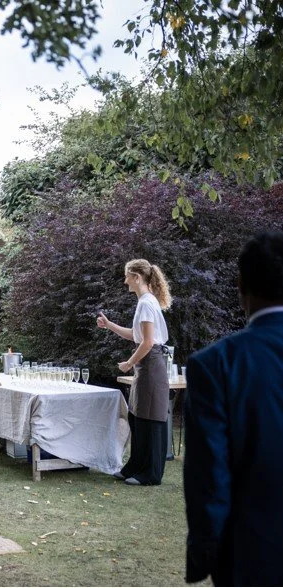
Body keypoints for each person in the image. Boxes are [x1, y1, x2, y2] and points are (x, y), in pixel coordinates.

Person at [183, 232, 283, 586]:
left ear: (240, 284)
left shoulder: (217, 365)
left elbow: (209, 474)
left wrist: (202, 554)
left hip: (254, 552)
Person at [96, 258, 172, 486]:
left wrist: (128, 364)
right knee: (138, 417)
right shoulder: (145, 302)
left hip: (151, 366)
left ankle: (150, 474)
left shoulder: (147, 303)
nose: (124, 280)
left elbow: (148, 342)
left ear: (136, 277)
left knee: (149, 419)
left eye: (127, 275)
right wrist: (109, 325)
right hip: (146, 367)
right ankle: (134, 467)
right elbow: (136, 335)